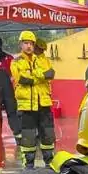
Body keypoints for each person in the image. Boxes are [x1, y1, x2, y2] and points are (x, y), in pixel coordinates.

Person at [11, 30, 54, 169]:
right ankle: (29, 165)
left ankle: (49, 162)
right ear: (21, 45)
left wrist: (34, 76)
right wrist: (40, 76)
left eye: (31, 43)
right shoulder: (16, 61)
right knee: (28, 137)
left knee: (47, 135)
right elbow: (22, 79)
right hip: (27, 105)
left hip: (43, 103)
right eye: (26, 43)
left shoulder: (41, 60)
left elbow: (51, 73)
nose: (29, 46)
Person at [0, 35, 21, 145]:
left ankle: (18, 137)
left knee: (12, 114)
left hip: (8, 91)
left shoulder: (9, 58)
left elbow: (14, 76)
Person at [34, 36, 56, 166]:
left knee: (47, 131)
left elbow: (51, 74)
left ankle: (49, 159)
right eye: (40, 49)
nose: (41, 51)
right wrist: (43, 75)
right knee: (32, 132)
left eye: (43, 50)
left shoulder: (45, 60)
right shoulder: (31, 60)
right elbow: (33, 75)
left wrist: (41, 75)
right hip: (32, 100)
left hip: (45, 100)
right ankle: (31, 162)